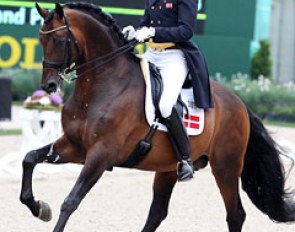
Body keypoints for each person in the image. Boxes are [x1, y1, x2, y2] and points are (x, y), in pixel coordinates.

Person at [123, 0, 213, 181]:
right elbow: (145, 25)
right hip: (151, 53)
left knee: (165, 105)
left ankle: (186, 159)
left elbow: (186, 31)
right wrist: (136, 33)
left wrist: (154, 32)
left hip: (174, 55)